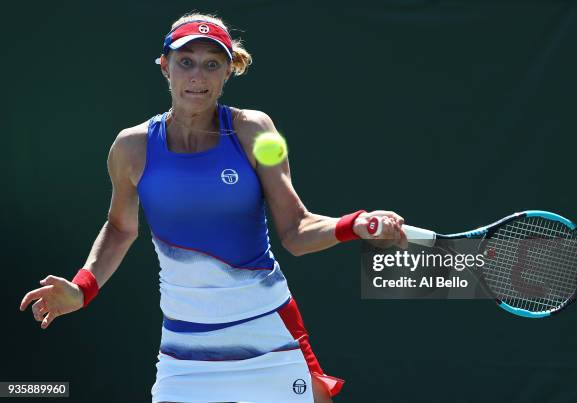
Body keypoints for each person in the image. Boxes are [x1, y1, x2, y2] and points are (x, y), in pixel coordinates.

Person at [19, 12, 408, 403]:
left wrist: (355, 224)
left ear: (228, 72)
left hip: (270, 336)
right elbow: (120, 229)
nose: (197, 76)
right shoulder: (131, 147)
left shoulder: (254, 130)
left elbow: (297, 230)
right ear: (165, 67)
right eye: (185, 62)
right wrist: (82, 289)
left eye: (212, 64)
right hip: (184, 352)